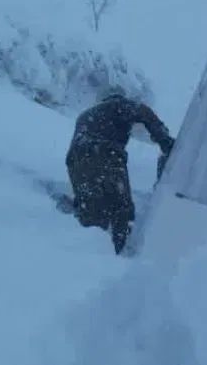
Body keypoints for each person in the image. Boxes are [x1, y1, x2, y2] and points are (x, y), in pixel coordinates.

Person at [65, 89, 175, 254]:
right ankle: (121, 254)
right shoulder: (117, 105)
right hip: (103, 153)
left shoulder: (86, 115)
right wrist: (164, 140)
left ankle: (89, 257)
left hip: (76, 162)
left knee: (92, 212)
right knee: (121, 207)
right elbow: (143, 111)